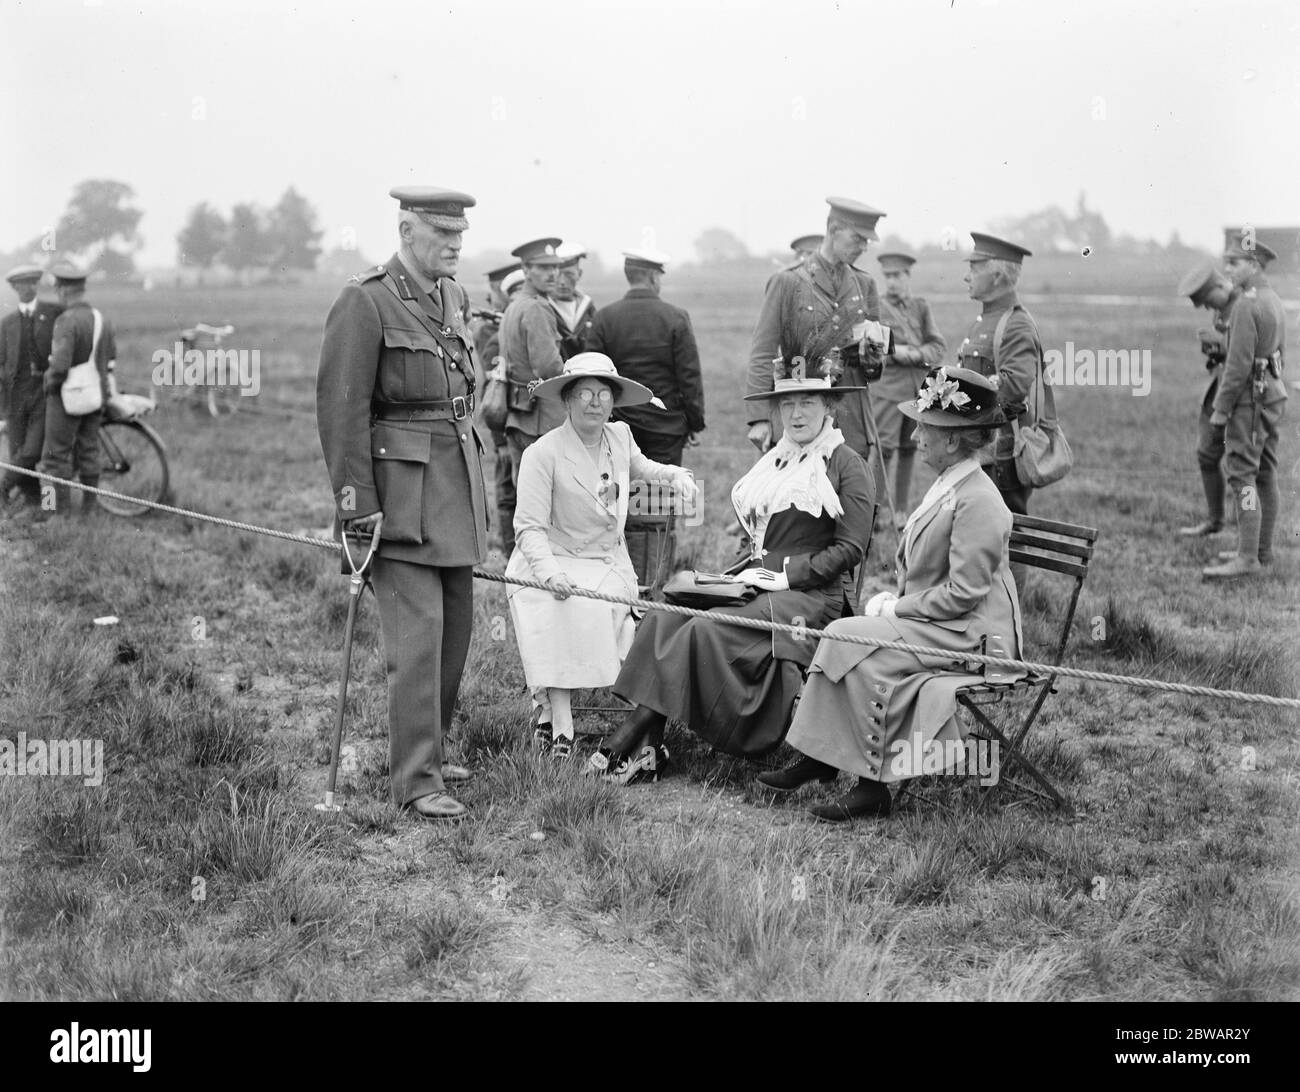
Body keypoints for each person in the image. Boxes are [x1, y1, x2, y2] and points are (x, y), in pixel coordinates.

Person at [589, 360, 875, 785]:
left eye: (808, 403)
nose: (797, 414)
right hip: (757, 581)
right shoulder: (778, 459)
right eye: (788, 404)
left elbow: (850, 549)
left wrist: (787, 576)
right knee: (666, 613)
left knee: (705, 629)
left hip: (813, 597)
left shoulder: (846, 464)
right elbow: (760, 535)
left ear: (829, 405)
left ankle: (630, 733)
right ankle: (650, 748)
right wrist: (744, 574)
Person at [759, 367, 1021, 821]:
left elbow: (964, 594)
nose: (915, 434)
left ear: (954, 440)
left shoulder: (979, 499)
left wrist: (896, 606)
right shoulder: (951, 484)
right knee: (841, 632)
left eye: (926, 427)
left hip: (975, 637)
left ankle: (872, 786)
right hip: (938, 624)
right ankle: (822, 757)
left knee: (868, 651)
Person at [316, 185, 488, 821]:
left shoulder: (453, 297)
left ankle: (431, 751)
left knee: (455, 630)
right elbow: (341, 410)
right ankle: (415, 780)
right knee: (416, 639)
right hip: (401, 495)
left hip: (454, 483)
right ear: (405, 229)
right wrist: (356, 504)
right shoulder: (364, 301)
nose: (455, 244)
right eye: (442, 234)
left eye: (460, 234)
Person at [506, 353, 699, 757]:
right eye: (585, 394)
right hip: (552, 558)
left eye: (603, 394)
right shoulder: (542, 454)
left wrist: (675, 475)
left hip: (606, 559)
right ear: (568, 400)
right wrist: (550, 573)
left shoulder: (620, 437)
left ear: (614, 401)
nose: (595, 402)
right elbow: (528, 528)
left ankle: (632, 706)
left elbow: (644, 468)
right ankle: (559, 721)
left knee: (597, 606)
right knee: (556, 603)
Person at [746, 199, 888, 495]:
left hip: (851, 417)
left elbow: (874, 366)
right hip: (802, 413)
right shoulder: (787, 282)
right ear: (833, 230)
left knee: (852, 503)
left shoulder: (865, 285)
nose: (863, 247)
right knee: (796, 502)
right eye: (857, 238)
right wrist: (760, 418)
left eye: (866, 241)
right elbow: (762, 351)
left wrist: (873, 360)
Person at [1202, 233, 1287, 580]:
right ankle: (1259, 550)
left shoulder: (1246, 305)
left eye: (1234, 262)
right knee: (1265, 473)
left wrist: (1220, 411)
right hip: (1271, 396)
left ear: (1253, 265)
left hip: (1249, 402)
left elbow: (1236, 369)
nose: (1227, 269)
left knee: (1242, 477)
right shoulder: (1271, 298)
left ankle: (1248, 557)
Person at [954, 232, 1055, 515]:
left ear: (997, 276)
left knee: (1009, 534)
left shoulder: (1016, 323)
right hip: (980, 449)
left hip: (1001, 456)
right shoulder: (987, 319)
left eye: (974, 269)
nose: (967, 277)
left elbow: (1012, 389)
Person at [585, 247, 704, 466]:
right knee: (660, 495)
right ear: (653, 277)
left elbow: (592, 372)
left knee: (618, 495)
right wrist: (695, 423)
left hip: (617, 425)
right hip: (666, 427)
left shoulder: (604, 318)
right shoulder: (676, 317)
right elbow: (689, 376)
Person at [34, 260, 116, 522]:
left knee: (55, 456)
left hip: (65, 397)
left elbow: (59, 366)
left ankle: (61, 513)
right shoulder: (101, 318)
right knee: (89, 451)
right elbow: (109, 357)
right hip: (94, 395)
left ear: (63, 290)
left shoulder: (66, 320)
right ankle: (89, 510)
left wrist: (48, 383)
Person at [872, 251, 947, 528]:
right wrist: (895, 352)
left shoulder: (920, 307)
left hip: (917, 393)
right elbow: (872, 345)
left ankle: (900, 511)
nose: (892, 282)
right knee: (884, 450)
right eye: (888, 276)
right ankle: (875, 511)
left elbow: (937, 347)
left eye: (897, 276)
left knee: (908, 449)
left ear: (908, 277)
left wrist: (915, 354)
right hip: (887, 392)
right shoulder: (877, 308)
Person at [1175, 261, 1238, 537]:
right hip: (1220, 388)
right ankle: (1216, 521)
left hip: (1239, 396)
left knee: (1244, 467)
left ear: (1220, 285)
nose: (1205, 308)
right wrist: (1214, 349)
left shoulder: (1244, 306)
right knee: (1206, 454)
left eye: (1206, 299)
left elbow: (1244, 352)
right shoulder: (1223, 309)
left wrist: (1222, 344)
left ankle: (1250, 539)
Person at [500, 237, 567, 490]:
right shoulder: (537, 308)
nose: (553, 274)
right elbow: (549, 368)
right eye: (544, 268)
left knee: (529, 506)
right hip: (542, 422)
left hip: (518, 417)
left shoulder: (514, 306)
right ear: (526, 270)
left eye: (555, 267)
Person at [1, 264, 62, 517]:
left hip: (43, 393)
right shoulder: (7, 323)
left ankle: (3, 486)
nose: (28, 287)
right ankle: (33, 500)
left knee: (32, 451)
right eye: (22, 284)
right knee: (16, 450)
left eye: (32, 282)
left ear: (37, 285)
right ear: (14, 288)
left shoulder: (55, 313)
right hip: (15, 396)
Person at [474, 261, 521, 556]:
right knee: (507, 493)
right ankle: (510, 555)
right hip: (505, 426)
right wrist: (501, 440)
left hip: (521, 425)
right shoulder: (491, 332)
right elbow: (495, 393)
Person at [550, 242, 597, 360]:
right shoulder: (543, 307)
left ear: (579, 274)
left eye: (569, 274)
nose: (562, 282)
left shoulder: (588, 309)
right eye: (557, 275)